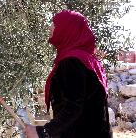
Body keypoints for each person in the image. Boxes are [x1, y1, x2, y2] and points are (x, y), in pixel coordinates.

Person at [24, 10, 112, 138]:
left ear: (67, 28)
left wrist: (43, 132)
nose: (50, 27)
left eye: (54, 24)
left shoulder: (72, 61)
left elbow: (73, 107)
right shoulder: (87, 60)